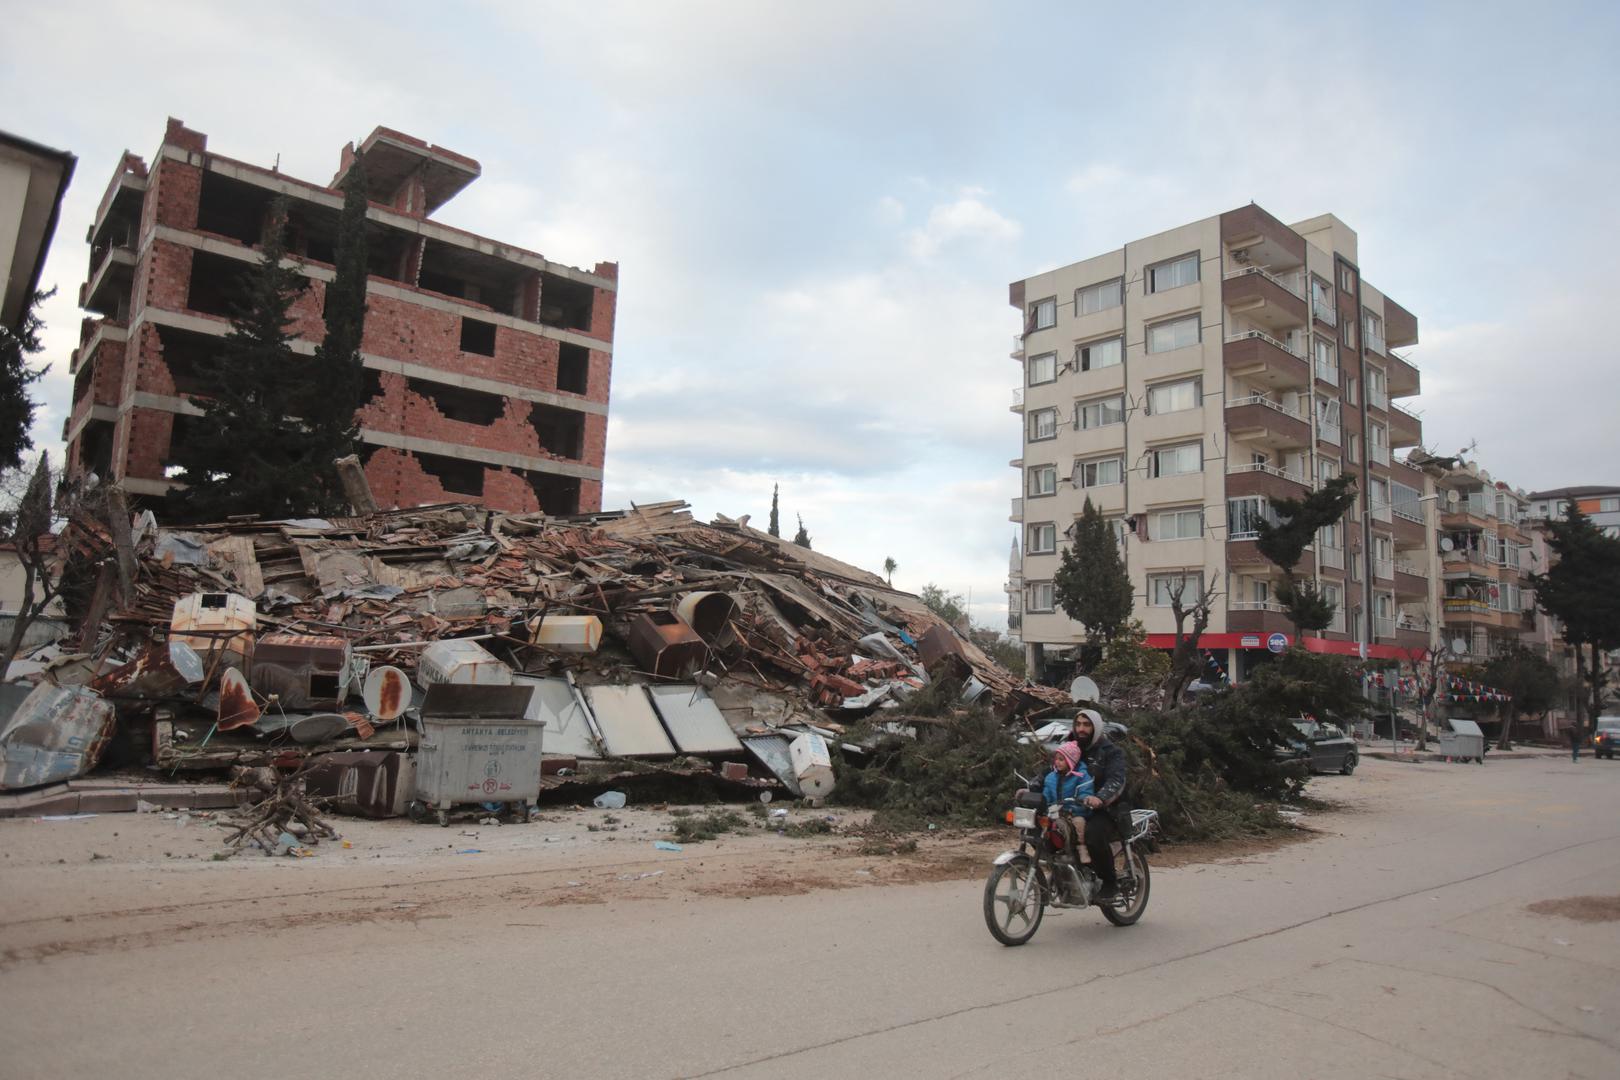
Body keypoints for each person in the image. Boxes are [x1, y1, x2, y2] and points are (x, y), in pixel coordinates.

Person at [1064, 708, 1130, 901]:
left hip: (1107, 809)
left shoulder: (1111, 752)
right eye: (1078, 724)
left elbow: (1117, 780)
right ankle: (1064, 871)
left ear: (1096, 727)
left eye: (1086, 725)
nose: (1081, 729)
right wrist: (1031, 787)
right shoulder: (1070, 748)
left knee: (1093, 834)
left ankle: (1110, 882)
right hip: (1075, 807)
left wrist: (1100, 798)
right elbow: (1052, 771)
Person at [1041, 741, 1094, 864]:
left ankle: (1081, 847)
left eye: (1061, 759)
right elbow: (1046, 794)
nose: (1057, 762)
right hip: (1055, 812)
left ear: (1071, 761)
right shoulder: (1050, 777)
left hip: (1074, 811)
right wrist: (1042, 802)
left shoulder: (1081, 776)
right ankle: (1046, 849)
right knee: (1044, 824)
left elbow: (1085, 791)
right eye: (1056, 759)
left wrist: (1082, 800)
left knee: (1079, 823)